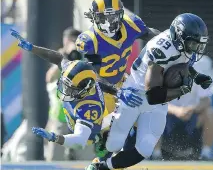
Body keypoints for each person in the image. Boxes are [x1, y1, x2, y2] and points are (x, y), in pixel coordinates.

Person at [84, 13, 213, 170]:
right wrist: (182, 89)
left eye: (198, 44)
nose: (195, 49)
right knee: (115, 141)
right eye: (192, 44)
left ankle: (100, 167)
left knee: (144, 148)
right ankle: (103, 162)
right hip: (135, 93)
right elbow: (152, 95)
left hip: (156, 98)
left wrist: (196, 76)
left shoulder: (180, 44)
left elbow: (181, 62)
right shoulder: (160, 51)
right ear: (179, 37)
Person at [10, 29, 142, 162]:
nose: (66, 90)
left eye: (71, 88)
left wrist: (54, 137)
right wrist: (33, 48)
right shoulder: (73, 68)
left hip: (88, 124)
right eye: (66, 84)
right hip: (63, 115)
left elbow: (79, 140)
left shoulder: (90, 106)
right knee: (56, 157)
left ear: (84, 90)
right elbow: (56, 57)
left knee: (85, 156)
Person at [76, 0, 160, 170]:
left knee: (140, 124)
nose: (109, 22)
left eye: (113, 16)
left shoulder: (131, 24)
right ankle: (102, 165)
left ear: (120, 14)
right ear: (95, 18)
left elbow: (151, 36)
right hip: (99, 90)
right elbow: (94, 76)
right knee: (111, 134)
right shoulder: (90, 39)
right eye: (104, 17)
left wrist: (168, 41)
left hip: (123, 81)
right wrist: (118, 92)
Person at [45, 27, 82, 161]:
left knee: (85, 156)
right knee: (56, 155)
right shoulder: (60, 57)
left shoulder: (83, 56)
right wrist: (64, 58)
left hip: (81, 114)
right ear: (65, 41)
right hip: (60, 114)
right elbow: (50, 77)